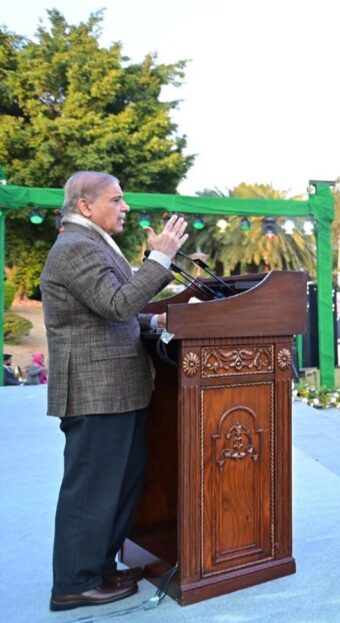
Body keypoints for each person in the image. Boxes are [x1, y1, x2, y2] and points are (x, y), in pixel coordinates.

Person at [42, 171, 188, 612]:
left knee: (118, 485)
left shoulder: (93, 243)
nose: (125, 207)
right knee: (92, 490)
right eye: (116, 199)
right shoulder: (76, 247)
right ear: (85, 206)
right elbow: (118, 303)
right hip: (96, 391)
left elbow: (110, 312)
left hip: (116, 389)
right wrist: (160, 259)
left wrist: (153, 321)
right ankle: (74, 584)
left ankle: (98, 569)